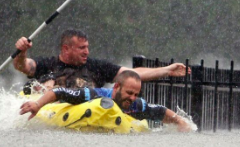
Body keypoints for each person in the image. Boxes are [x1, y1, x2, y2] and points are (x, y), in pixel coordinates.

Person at [19, 70, 193, 132]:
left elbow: (160, 111)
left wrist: (180, 122)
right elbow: (59, 92)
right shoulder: (93, 94)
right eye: (129, 92)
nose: (132, 98)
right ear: (116, 87)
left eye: (136, 94)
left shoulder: (135, 104)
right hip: (68, 111)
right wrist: (37, 105)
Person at [13, 29, 189, 89]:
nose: (87, 52)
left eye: (87, 47)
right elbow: (23, 66)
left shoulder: (97, 66)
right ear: (66, 49)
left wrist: (166, 70)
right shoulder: (47, 64)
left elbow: (132, 73)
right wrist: (21, 52)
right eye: (82, 48)